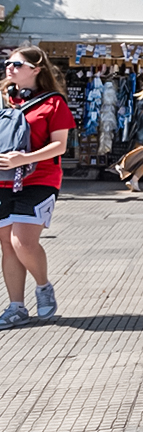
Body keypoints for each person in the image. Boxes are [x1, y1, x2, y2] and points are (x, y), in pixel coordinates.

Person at [0, 47, 74, 328]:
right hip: (3, 179)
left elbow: (60, 145)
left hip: (39, 176)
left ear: (36, 69)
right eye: (7, 63)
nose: (10, 68)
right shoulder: (3, 99)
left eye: (17, 64)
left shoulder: (53, 103)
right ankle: (16, 306)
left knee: (22, 240)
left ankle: (43, 286)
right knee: (7, 243)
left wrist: (25, 158)